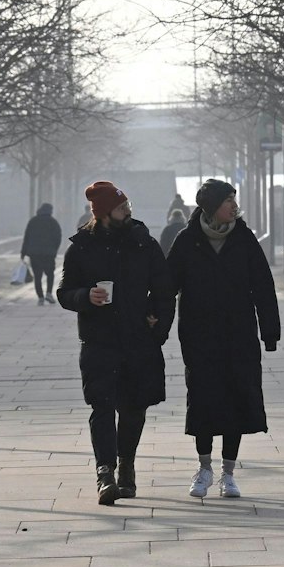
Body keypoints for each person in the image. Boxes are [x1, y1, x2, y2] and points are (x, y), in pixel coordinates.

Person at [56, 180, 173, 505]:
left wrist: (158, 326)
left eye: (128, 206)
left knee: (134, 408)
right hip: (99, 341)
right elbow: (64, 293)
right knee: (102, 407)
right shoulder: (81, 248)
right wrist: (85, 296)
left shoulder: (143, 243)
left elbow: (164, 290)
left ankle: (127, 467)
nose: (128, 211)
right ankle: (104, 473)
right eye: (122, 207)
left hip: (138, 340)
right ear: (105, 213)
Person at [165, 178, 280, 500]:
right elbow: (167, 286)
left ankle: (228, 474)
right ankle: (204, 468)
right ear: (211, 206)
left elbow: (263, 286)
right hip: (199, 336)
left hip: (239, 335)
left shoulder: (244, 239)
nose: (234, 205)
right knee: (202, 400)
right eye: (228, 200)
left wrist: (269, 331)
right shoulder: (187, 240)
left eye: (234, 200)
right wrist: (155, 323)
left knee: (236, 400)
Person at [21, 203, 63, 305]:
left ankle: (40, 297)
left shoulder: (33, 221)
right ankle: (49, 293)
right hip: (49, 254)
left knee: (37, 276)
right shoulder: (53, 222)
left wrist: (23, 253)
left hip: (35, 254)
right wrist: (54, 250)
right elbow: (58, 237)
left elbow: (27, 237)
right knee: (50, 274)